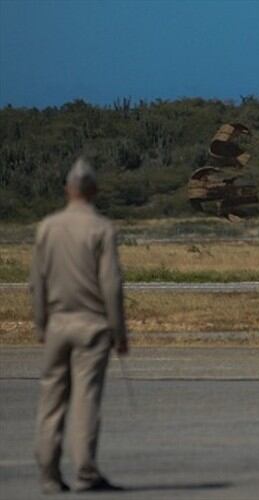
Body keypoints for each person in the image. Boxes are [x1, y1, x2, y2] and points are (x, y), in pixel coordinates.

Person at [30, 158, 129, 494]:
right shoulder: (102, 228)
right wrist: (119, 332)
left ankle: (48, 474)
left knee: (51, 399)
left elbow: (37, 282)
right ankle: (85, 472)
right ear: (94, 190)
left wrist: (41, 324)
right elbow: (111, 284)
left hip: (57, 324)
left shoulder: (47, 227)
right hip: (92, 326)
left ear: (67, 190)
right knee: (86, 399)